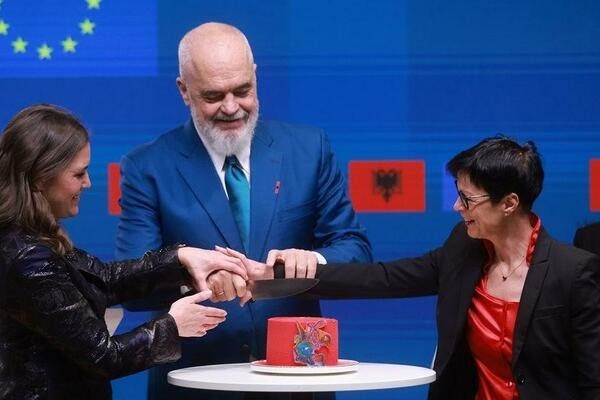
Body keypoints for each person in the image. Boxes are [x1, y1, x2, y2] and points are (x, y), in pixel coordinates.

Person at [221, 136, 600, 399]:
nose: (457, 207)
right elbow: (381, 278)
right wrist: (275, 277)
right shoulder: (463, 249)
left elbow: (592, 382)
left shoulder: (574, 272)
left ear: (509, 204)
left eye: (468, 199)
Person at [115, 22, 372, 399]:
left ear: (255, 76)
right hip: (196, 384)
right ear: (184, 90)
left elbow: (355, 249)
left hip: (299, 381)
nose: (231, 107)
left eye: (242, 90)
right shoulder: (147, 166)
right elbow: (130, 284)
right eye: (213, 96)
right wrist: (193, 278)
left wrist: (312, 260)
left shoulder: (309, 149)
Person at [0, 104, 251, 399]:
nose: (88, 183)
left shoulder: (28, 238)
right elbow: (104, 356)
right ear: (40, 177)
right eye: (78, 174)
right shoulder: (28, 259)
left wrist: (182, 258)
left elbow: (104, 278)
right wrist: (172, 325)